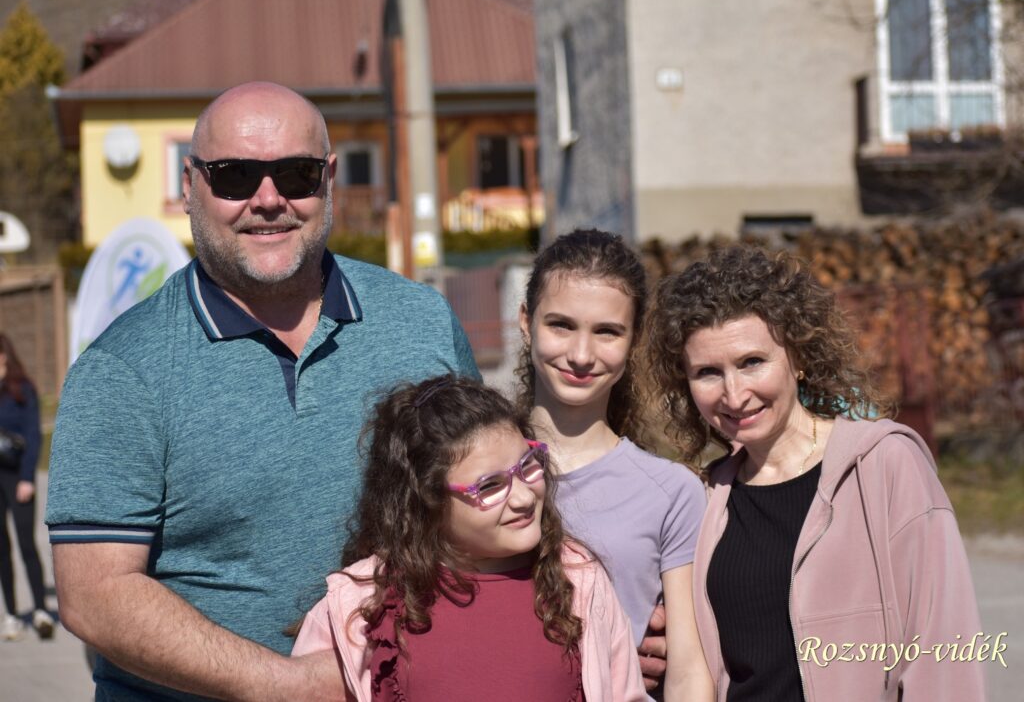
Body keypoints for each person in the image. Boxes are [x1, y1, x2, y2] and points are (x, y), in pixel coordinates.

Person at [46, 82, 478, 701]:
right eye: (235, 176)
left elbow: (491, 506)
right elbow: (95, 595)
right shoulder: (122, 370)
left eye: (297, 174)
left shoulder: (423, 323)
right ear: (190, 185)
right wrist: (285, 685)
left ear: (329, 179)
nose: (269, 199)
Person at [642, 244, 985, 701]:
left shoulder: (884, 465)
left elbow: (945, 654)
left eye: (752, 362)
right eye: (708, 372)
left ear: (798, 357)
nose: (734, 394)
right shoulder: (704, 501)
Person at [292, 375, 646, 700]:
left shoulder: (580, 580)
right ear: (427, 500)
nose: (523, 497)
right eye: (489, 486)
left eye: (528, 465)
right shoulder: (357, 606)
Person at [516, 229, 712, 701]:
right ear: (526, 322)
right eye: (561, 325)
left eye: (607, 331)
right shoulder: (470, 473)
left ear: (635, 339)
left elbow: (689, 670)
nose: (581, 355)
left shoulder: (672, 492)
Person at [0, 333, 54, 641]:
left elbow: (33, 436)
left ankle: (41, 610)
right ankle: (11, 614)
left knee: (26, 544)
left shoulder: (22, 389)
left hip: (17, 477)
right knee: (1, 549)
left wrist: (27, 478)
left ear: (4, 355)